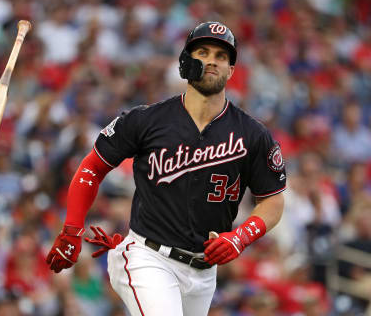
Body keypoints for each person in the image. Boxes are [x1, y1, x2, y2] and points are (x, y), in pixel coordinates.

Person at [46, 21, 286, 316]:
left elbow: (272, 199)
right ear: (186, 61)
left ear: (231, 71)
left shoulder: (252, 134)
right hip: (147, 256)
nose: (211, 60)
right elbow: (92, 167)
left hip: (202, 273)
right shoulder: (147, 120)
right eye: (203, 51)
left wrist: (241, 236)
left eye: (221, 56)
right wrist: (71, 228)